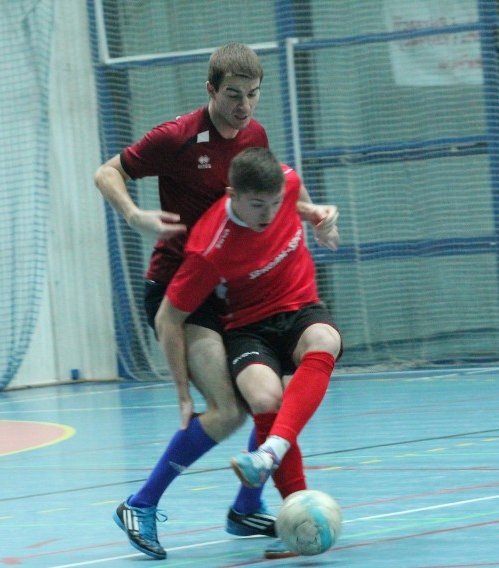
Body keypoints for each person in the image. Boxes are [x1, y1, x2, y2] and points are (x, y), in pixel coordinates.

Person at [94, 43, 275, 560]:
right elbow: (107, 172)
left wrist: (309, 212)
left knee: (266, 396)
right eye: (234, 95)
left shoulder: (255, 135)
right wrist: (135, 216)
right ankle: (140, 504)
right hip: (178, 288)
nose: (244, 107)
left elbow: (268, 192)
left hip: (230, 287)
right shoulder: (174, 138)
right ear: (211, 90)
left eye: (253, 96)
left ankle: (245, 508)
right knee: (226, 409)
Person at [155, 147, 342, 559]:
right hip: (247, 328)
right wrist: (183, 393)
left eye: (276, 202)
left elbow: (300, 201)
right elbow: (168, 320)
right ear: (231, 194)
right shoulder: (209, 246)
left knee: (325, 339)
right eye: (258, 205)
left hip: (300, 310)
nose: (270, 213)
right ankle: (289, 502)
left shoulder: (287, 184)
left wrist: (320, 221)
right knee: (263, 399)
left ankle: (269, 454)